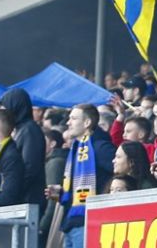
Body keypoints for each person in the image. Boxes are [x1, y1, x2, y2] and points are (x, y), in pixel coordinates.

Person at [48, 104, 115, 248]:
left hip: (89, 222)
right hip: (71, 222)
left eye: (73, 118)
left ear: (87, 123)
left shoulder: (100, 147)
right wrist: (61, 193)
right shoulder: (76, 149)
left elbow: (120, 173)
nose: (68, 122)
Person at [0, 88, 47, 210]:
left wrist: (13, 190)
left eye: (5, 108)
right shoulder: (21, 130)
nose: (2, 114)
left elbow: (30, 166)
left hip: (29, 199)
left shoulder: (30, 130)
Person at [40, 128, 68, 242]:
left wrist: (42, 226)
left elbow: (53, 198)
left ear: (53, 143)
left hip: (55, 224)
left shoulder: (55, 164)